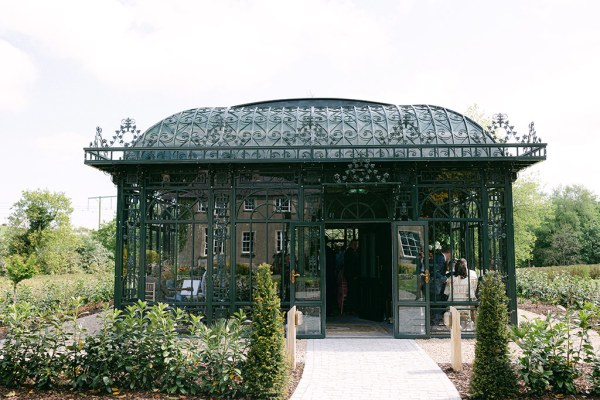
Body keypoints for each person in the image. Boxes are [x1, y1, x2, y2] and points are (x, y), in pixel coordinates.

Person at [343, 239, 360, 314]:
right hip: (351, 276)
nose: (356, 246)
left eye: (357, 244)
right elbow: (350, 265)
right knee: (352, 292)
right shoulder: (350, 252)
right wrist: (354, 275)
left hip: (351, 275)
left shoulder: (352, 252)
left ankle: (352, 308)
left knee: (352, 292)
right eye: (354, 244)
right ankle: (352, 308)